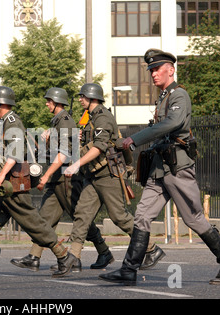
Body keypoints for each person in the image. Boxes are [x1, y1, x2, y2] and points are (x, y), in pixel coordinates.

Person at [100, 49, 220, 286]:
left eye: (157, 69)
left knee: (193, 218)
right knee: (142, 216)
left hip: (177, 168)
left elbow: (172, 124)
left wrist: (135, 139)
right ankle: (128, 270)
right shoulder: (164, 97)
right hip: (159, 169)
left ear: (170, 70)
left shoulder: (179, 95)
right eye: (151, 70)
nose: (153, 74)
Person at [0, 86, 77, 279]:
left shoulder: (12, 122)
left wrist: (1, 176)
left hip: (12, 183)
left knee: (32, 222)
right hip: (3, 183)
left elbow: (16, 152)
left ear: (2, 103)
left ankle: (63, 255)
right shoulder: (2, 122)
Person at [10, 87, 114, 272]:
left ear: (57, 102)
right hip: (57, 180)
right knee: (45, 219)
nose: (46, 103)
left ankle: (99, 252)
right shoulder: (57, 121)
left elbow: (65, 154)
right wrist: (45, 139)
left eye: (49, 101)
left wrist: (47, 175)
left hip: (67, 179)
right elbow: (50, 151)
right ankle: (34, 256)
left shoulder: (65, 122)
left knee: (80, 218)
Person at [63, 83, 165, 269]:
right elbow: (92, 142)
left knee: (119, 216)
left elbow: (99, 147)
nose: (80, 99)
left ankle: (151, 248)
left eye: (83, 97)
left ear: (93, 98)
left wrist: (76, 164)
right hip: (93, 175)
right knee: (82, 214)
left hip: (108, 174)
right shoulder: (91, 118)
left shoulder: (103, 117)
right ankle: (73, 255)